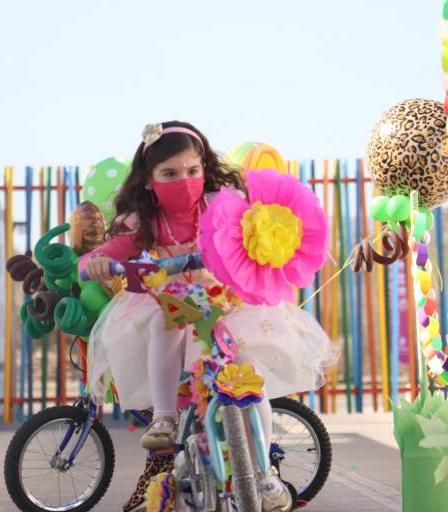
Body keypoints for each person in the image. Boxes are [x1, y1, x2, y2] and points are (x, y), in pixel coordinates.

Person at [81, 121, 336, 512]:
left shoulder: (224, 204)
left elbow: (260, 228)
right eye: (169, 174)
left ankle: (265, 476)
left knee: (250, 380)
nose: (183, 181)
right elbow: (102, 255)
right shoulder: (145, 225)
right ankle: (164, 418)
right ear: (149, 181)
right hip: (172, 305)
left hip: (229, 304)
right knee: (163, 323)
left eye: (191, 171)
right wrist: (95, 263)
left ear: (204, 169)